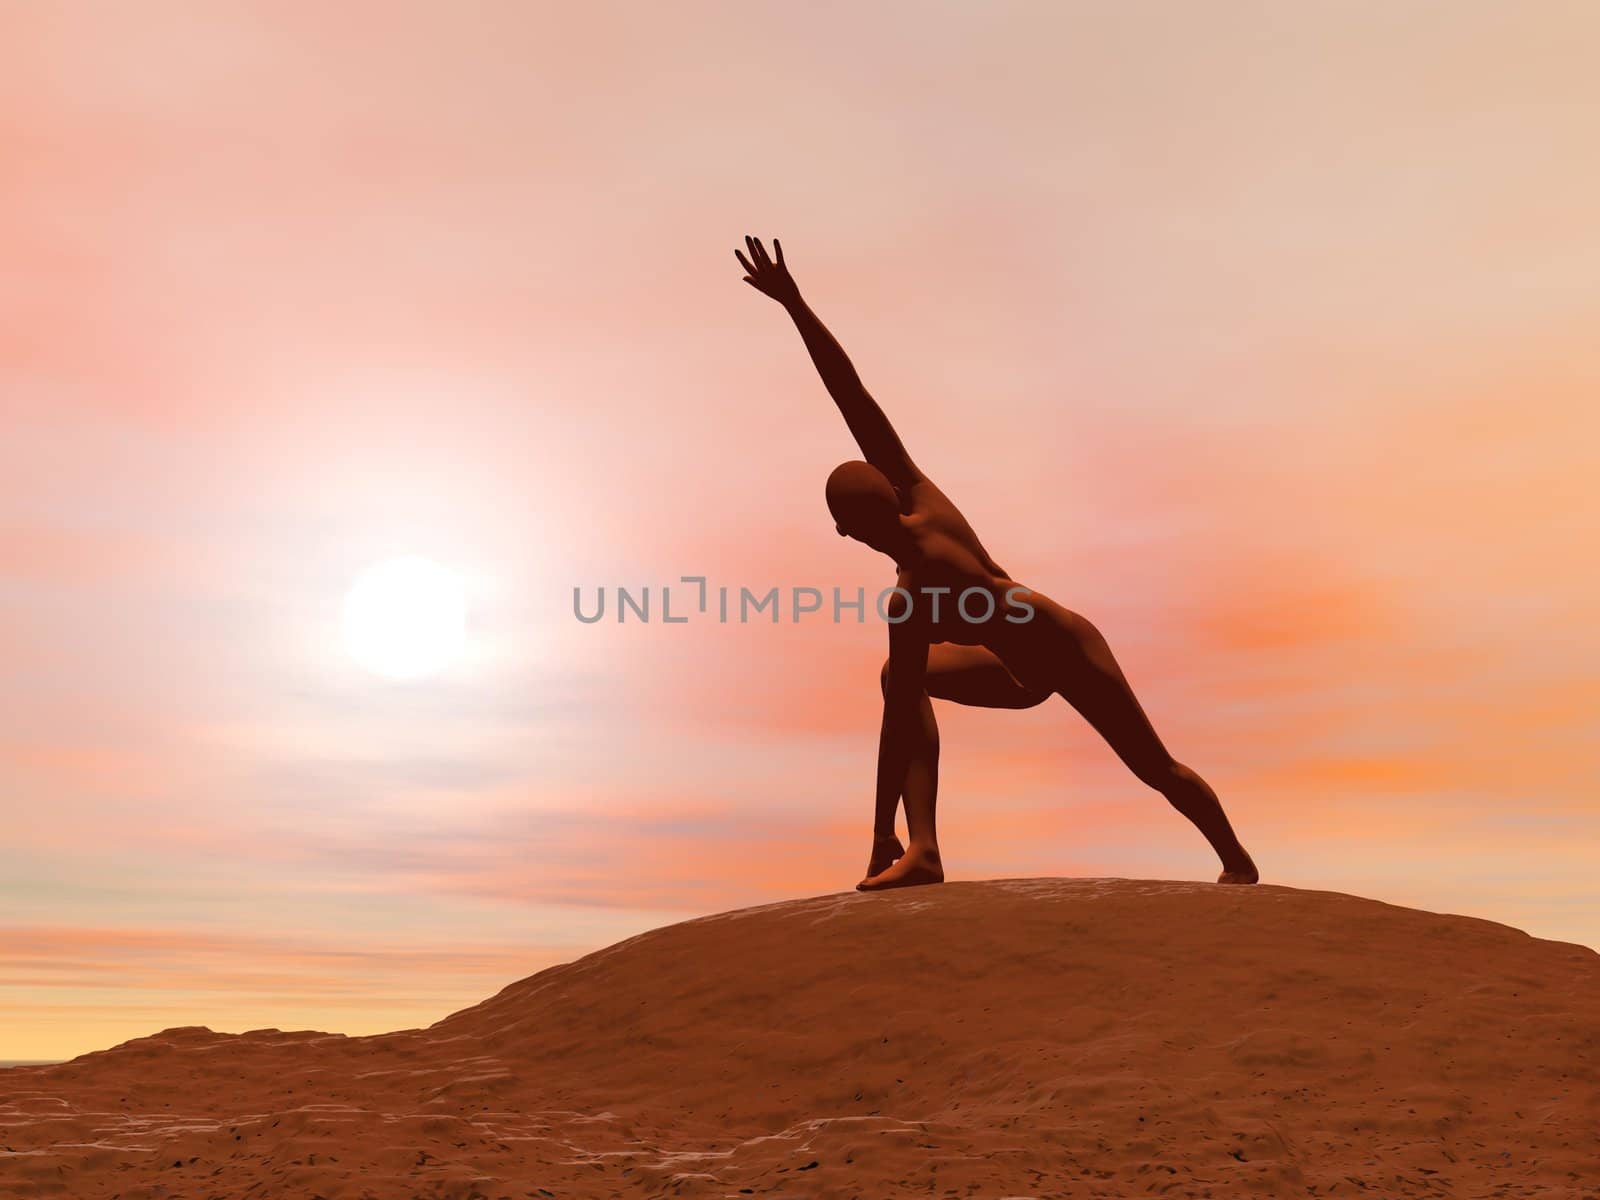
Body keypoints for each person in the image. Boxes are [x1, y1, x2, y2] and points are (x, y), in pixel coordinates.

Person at [734, 236, 1259, 892]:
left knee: (1154, 767)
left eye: (843, 528)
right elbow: (854, 398)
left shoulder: (914, 593)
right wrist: (796, 306)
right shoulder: (919, 493)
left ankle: (1236, 860)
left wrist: (877, 837)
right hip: (1016, 671)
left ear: (850, 529)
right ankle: (921, 850)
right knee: (901, 673)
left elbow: (898, 725)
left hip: (1068, 649)